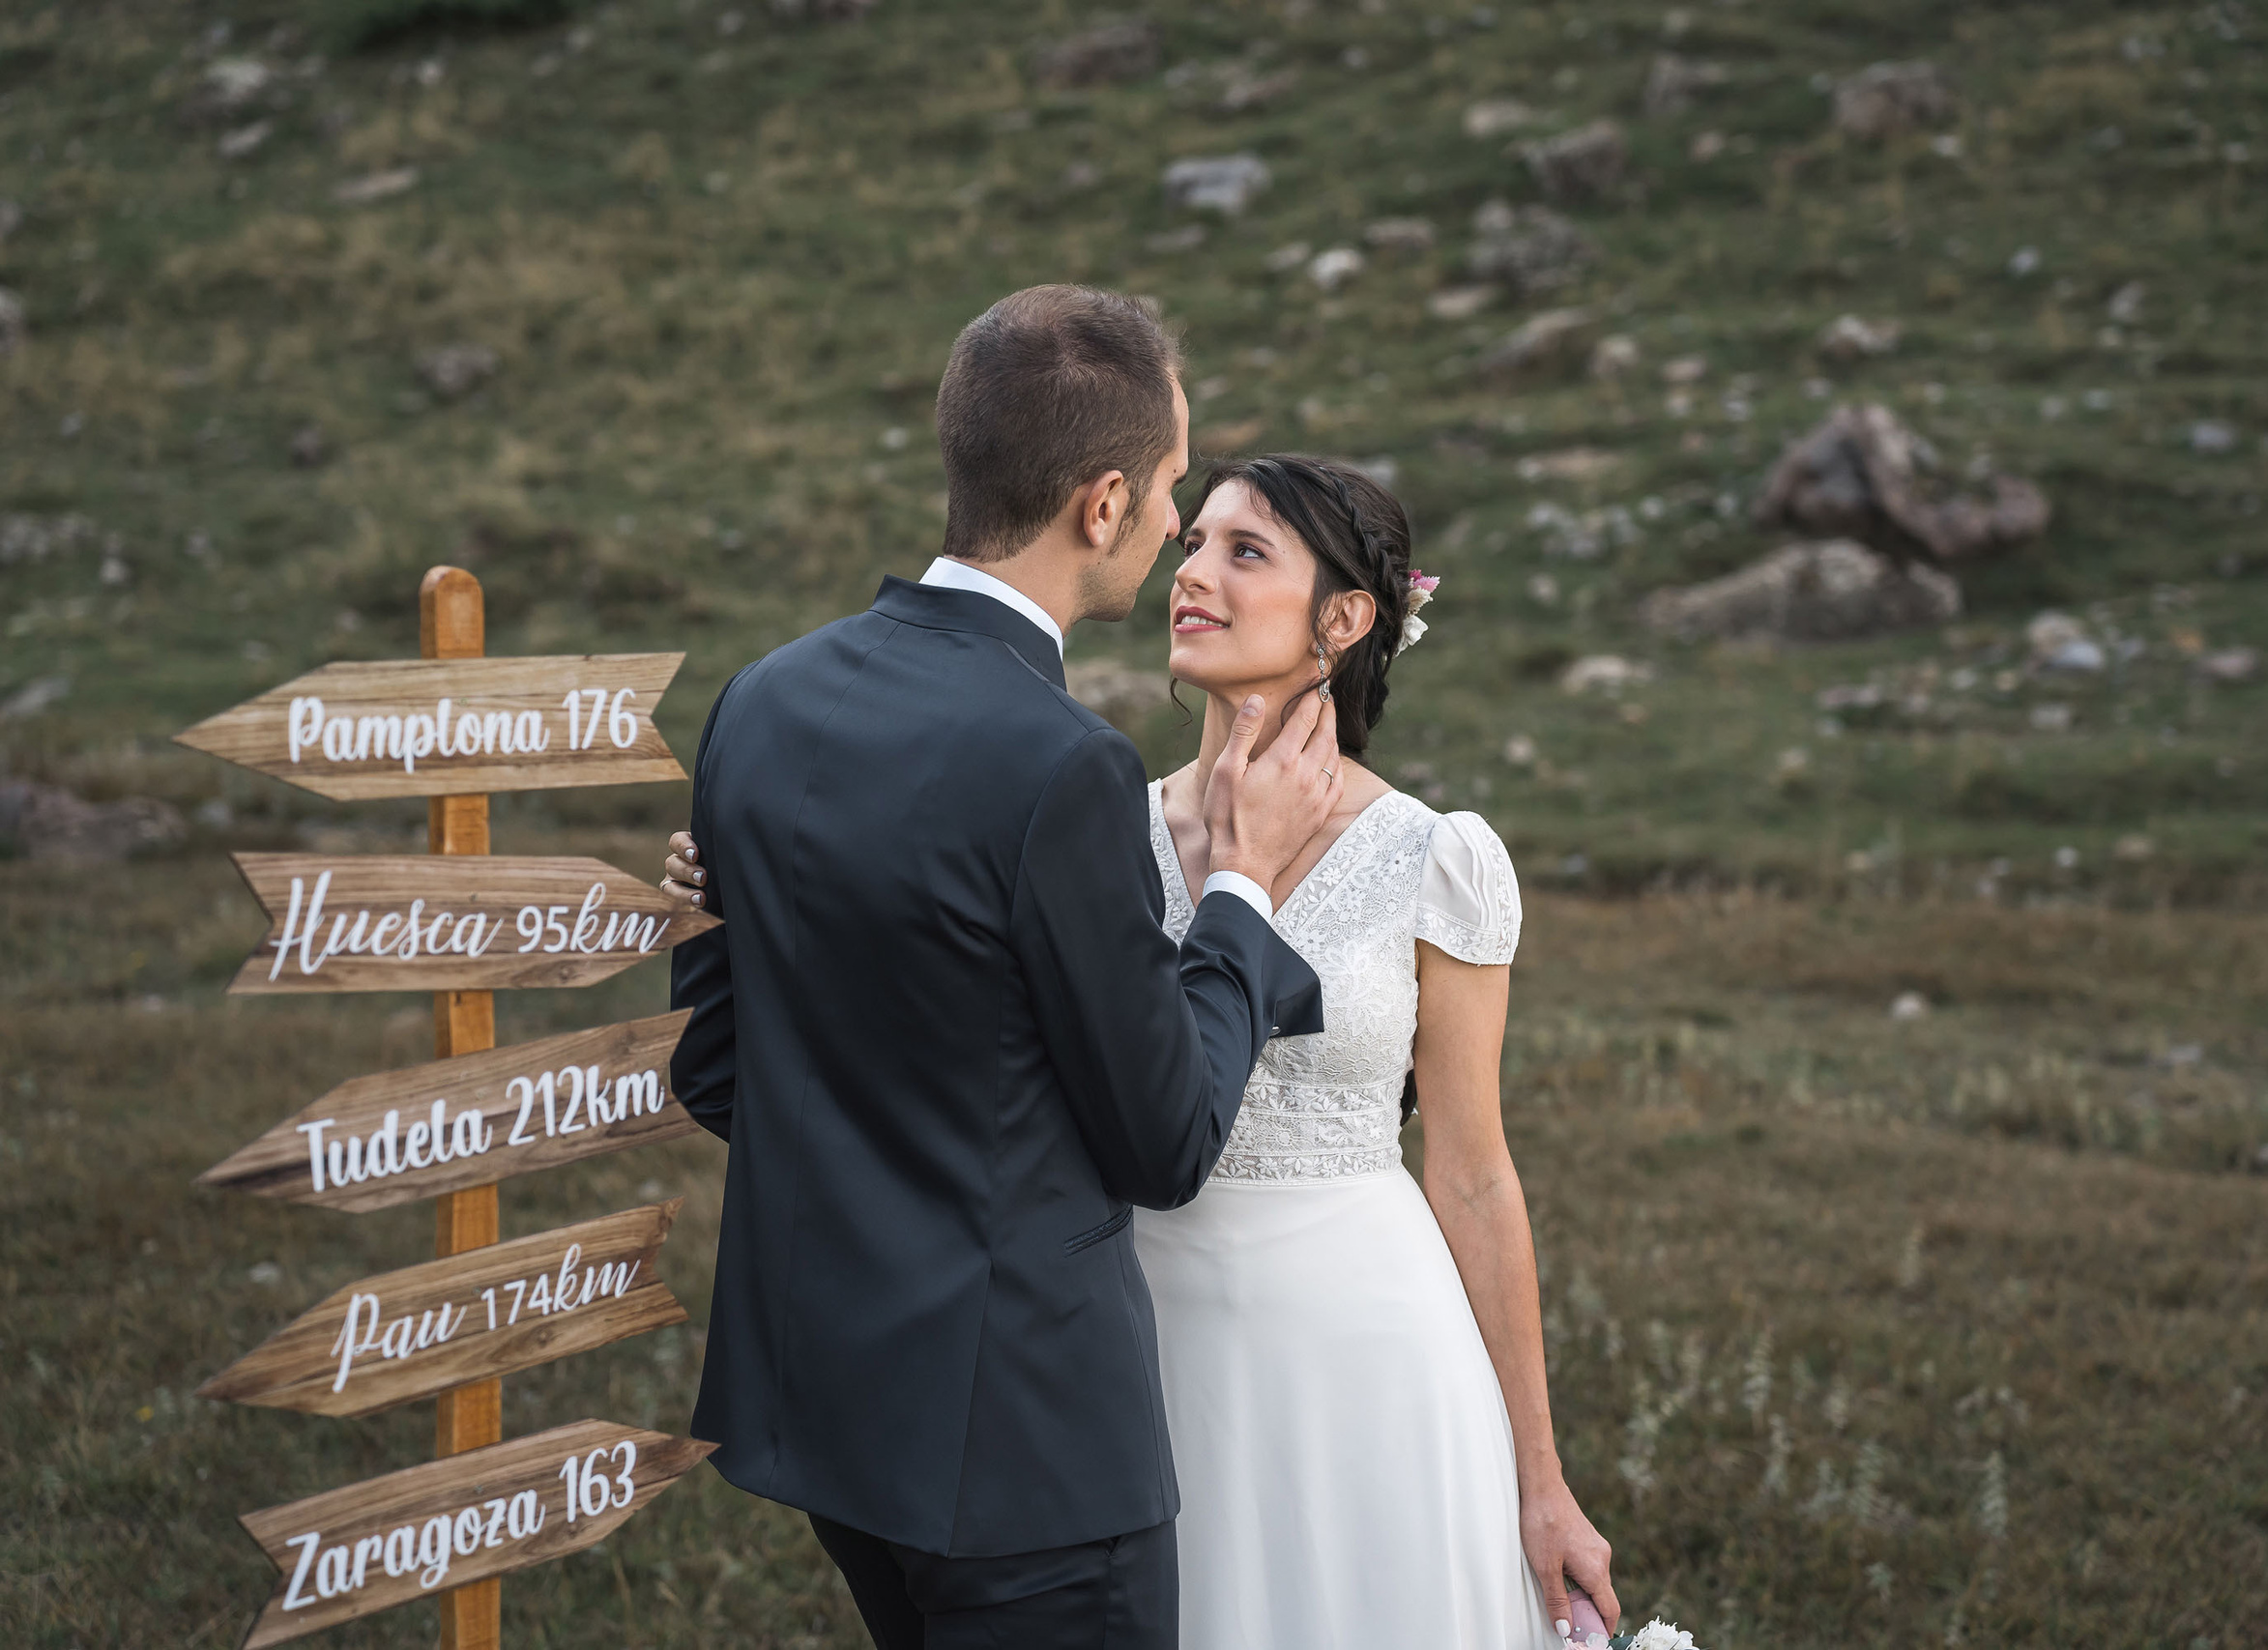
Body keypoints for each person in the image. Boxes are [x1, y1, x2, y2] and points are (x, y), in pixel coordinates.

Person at [669, 443, 1623, 1646]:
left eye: (1244, 551)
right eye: (1191, 543)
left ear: (1344, 617)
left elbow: (1474, 1172)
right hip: (1115, 1349)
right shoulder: (1087, 815)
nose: (1195, 574)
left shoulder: (1435, 855)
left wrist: (1541, 1480)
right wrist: (733, 901)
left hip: (1363, 1356)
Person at [663, 285, 1346, 1650]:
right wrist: (1240, 900)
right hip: (1026, 1459)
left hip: (831, 1422)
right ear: (1100, 504)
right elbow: (1162, 1137)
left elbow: (726, 1064)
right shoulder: (1061, 766)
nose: (1174, 527)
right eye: (1166, 490)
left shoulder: (766, 695)